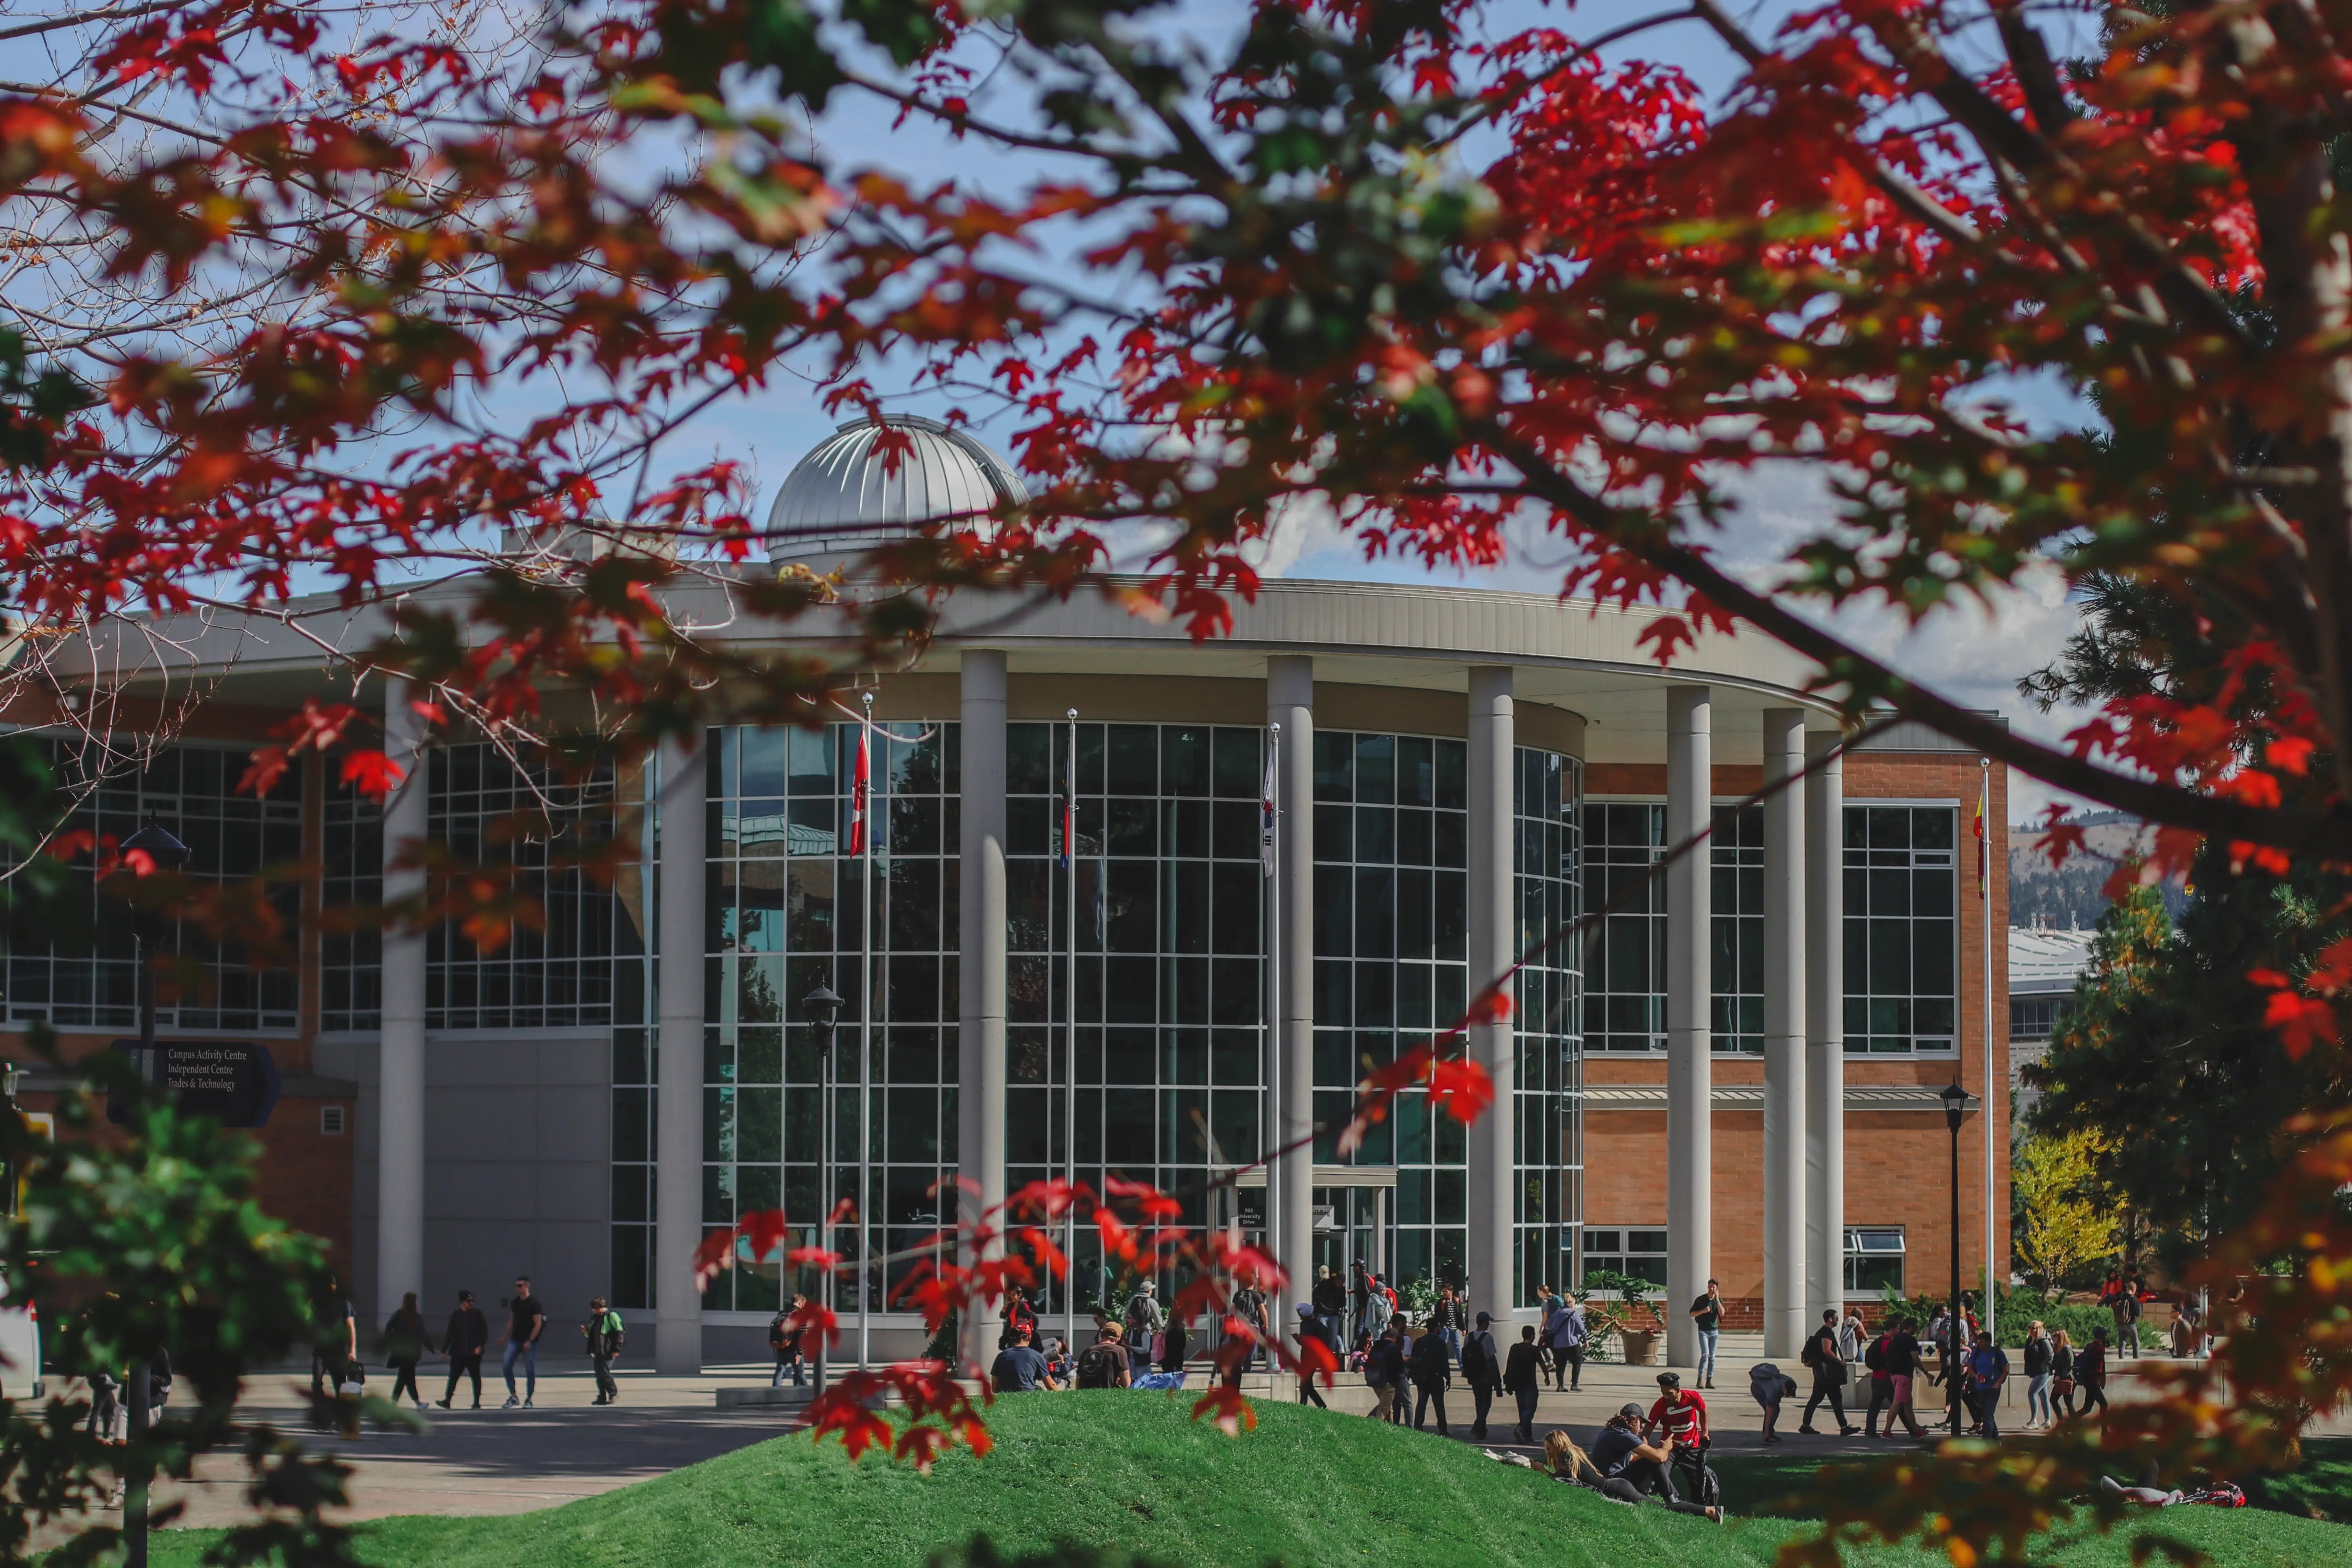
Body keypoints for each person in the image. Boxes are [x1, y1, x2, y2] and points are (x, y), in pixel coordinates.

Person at [1584, 1404, 1722, 1519]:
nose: (1641, 1428)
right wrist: (1666, 1448)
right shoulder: (1625, 1435)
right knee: (1655, 1463)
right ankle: (1672, 1499)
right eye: (1641, 1423)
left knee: (1651, 1460)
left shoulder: (1612, 1431)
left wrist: (1652, 1453)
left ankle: (1674, 1498)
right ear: (1634, 1420)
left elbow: (1630, 1460)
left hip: (1611, 1480)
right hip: (1613, 1483)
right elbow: (1660, 1458)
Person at [1800, 1307, 1858, 1436]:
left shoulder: (1821, 1332)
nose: (1838, 1320)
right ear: (1831, 1319)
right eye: (1836, 1318)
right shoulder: (1827, 1333)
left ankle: (1806, 1425)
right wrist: (1839, 1362)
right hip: (1828, 1373)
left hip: (1821, 1372)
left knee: (1816, 1399)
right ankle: (1844, 1427)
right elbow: (1827, 1351)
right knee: (1836, 1399)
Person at [436, 1289, 488, 1410]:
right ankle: (447, 1400)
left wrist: (480, 1346)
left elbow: (484, 1333)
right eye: (468, 1301)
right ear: (462, 1302)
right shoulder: (456, 1315)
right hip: (458, 1353)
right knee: (453, 1377)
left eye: (472, 1301)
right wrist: (443, 1351)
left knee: (475, 1378)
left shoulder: (477, 1314)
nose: (471, 1303)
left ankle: (476, 1402)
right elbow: (450, 1334)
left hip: (473, 1353)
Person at [500, 1274, 546, 1410]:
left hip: (529, 1342)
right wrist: (504, 1337)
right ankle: (513, 1397)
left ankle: (529, 1399)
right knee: (506, 1366)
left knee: (530, 1370)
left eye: (520, 1286)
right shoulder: (515, 1303)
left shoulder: (534, 1304)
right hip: (515, 1340)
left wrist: (530, 1341)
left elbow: (538, 1325)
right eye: (517, 1286)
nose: (518, 1288)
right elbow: (511, 1321)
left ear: (527, 1286)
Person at [311, 1277, 356, 1409]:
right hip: (321, 1350)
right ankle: (322, 1409)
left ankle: (341, 1413)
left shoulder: (344, 1304)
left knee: (340, 1386)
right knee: (316, 1383)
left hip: (338, 1352)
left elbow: (351, 1327)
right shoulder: (318, 1303)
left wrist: (352, 1350)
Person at [1645, 1370, 1709, 1459]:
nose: (1666, 1397)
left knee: (1701, 1469)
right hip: (1670, 1449)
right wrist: (1645, 1451)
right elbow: (1646, 1432)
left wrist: (1705, 1433)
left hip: (1693, 1446)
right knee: (1660, 1468)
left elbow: (1703, 1411)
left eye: (1669, 1393)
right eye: (1663, 1393)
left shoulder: (1693, 1397)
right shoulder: (1660, 1405)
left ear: (1678, 1390)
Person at [381, 1291, 426, 1412]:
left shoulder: (399, 1315)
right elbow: (423, 1335)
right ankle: (415, 1403)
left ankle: (415, 1403)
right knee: (406, 1379)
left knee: (406, 1378)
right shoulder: (415, 1317)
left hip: (403, 1352)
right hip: (410, 1354)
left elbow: (388, 1328)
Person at [1462, 1310, 1503, 1439]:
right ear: (1485, 1322)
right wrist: (1497, 1376)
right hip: (1485, 1374)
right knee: (1487, 1402)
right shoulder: (1488, 1338)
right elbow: (1492, 1358)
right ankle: (1478, 1425)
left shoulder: (1469, 1337)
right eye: (1488, 1322)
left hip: (1473, 1374)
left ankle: (1481, 1429)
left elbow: (1465, 1356)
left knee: (1479, 1401)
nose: (1488, 1324)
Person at [1964, 1329, 2011, 1439]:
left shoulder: (1997, 1353)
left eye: (1982, 1342)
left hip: (1993, 1387)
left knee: (1989, 1412)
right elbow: (1970, 1368)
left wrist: (1998, 1383)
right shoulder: (1977, 1352)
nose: (1980, 1344)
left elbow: (2005, 1370)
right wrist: (1976, 1376)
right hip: (1980, 1387)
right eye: (1979, 1342)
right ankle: (1995, 1437)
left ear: (1988, 1342)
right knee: (1986, 1414)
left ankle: (1987, 1439)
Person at [1884, 1319, 1927, 1439]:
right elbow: (1915, 1359)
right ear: (1912, 1327)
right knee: (1897, 1403)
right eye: (1916, 1327)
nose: (1917, 1329)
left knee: (1908, 1404)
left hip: (1894, 1374)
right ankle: (1887, 1431)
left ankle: (1916, 1431)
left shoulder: (1896, 1339)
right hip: (1904, 1376)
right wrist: (1926, 1372)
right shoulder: (1911, 1340)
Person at [1503, 1324, 1543, 1445]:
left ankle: (1527, 1436)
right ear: (1532, 1336)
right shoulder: (1534, 1350)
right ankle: (1520, 1428)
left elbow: (1509, 1365)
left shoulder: (1515, 1348)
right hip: (1530, 1383)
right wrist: (1547, 1377)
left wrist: (1508, 1382)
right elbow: (1542, 1364)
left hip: (1518, 1384)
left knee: (1523, 1410)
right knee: (1530, 1409)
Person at [1408, 1322, 1451, 1434]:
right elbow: (1444, 1362)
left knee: (1422, 1403)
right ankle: (1443, 1429)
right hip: (1436, 1378)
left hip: (1422, 1378)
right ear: (1436, 1329)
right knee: (1439, 1405)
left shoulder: (1419, 1341)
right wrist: (1448, 1378)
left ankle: (1418, 1426)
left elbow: (1413, 1358)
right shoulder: (1440, 1343)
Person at [991, 1325, 1058, 1393]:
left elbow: (995, 1387)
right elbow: (1051, 1386)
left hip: (1006, 1396)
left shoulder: (1002, 1356)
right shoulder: (1037, 1356)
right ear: (1029, 1337)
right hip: (1029, 1395)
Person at [584, 1296, 625, 1406]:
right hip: (597, 1350)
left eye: (597, 1309)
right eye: (594, 1309)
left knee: (604, 1372)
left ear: (602, 1306)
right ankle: (602, 1397)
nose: (595, 1311)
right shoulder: (595, 1318)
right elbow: (592, 1334)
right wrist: (587, 1332)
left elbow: (620, 1332)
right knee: (599, 1374)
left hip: (608, 1349)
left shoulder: (611, 1316)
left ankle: (613, 1392)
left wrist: (616, 1349)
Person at [1545, 1290, 1588, 1392]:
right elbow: (1581, 1328)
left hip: (1558, 1344)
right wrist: (1585, 1340)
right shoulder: (1574, 1314)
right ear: (1572, 1304)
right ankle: (1574, 1384)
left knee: (1560, 1365)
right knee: (1577, 1362)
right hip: (1572, 1343)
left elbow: (1549, 1326)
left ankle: (1560, 1385)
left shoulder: (1557, 1313)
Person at [1293, 1303, 1334, 1409]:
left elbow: (1324, 1343)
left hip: (1313, 1358)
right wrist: (1298, 1339)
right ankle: (1321, 1406)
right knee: (1308, 1385)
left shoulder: (1318, 1325)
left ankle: (1303, 1406)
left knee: (1305, 1384)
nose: (1300, 1317)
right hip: (1305, 1356)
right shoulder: (1303, 1324)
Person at [1365, 1321, 1405, 1423]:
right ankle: (1373, 1427)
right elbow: (1400, 1368)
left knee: (1388, 1408)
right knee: (1382, 1412)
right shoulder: (1394, 1349)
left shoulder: (1376, 1347)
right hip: (1389, 1384)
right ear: (1395, 1337)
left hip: (1375, 1381)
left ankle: (1390, 1428)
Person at [1749, 1360, 1798, 1444]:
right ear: (1784, 1388)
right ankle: (1766, 1435)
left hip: (1767, 1388)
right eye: (1788, 1393)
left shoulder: (1789, 1381)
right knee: (1773, 1411)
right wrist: (1767, 1432)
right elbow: (1769, 1413)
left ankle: (1769, 1433)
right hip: (1758, 1390)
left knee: (1776, 1410)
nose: (1788, 1396)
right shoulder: (1773, 1391)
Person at [1075, 1322, 1134, 1389]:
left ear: (1101, 1335)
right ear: (1118, 1339)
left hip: (1086, 1394)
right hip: (1108, 1394)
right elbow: (1127, 1383)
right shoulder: (1119, 1351)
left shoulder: (1087, 1352)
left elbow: (1079, 1380)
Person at [1689, 1278, 1725, 1389]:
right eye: (1710, 1287)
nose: (1712, 1289)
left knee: (1712, 1357)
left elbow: (1722, 1313)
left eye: (1714, 1287)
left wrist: (1717, 1299)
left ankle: (1709, 1380)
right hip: (1703, 1331)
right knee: (1706, 1355)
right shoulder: (1701, 1300)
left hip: (1714, 1332)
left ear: (1717, 1289)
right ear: (1708, 1287)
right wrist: (1703, 1311)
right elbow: (1692, 1313)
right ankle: (1700, 1379)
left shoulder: (1718, 1300)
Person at [1231, 1277, 1270, 1372]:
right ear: (1254, 1283)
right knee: (1250, 1352)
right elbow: (1263, 1312)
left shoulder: (1238, 1294)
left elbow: (1232, 1311)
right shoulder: (1257, 1295)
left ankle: (1237, 1370)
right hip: (1253, 1326)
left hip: (1240, 1327)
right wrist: (1266, 1324)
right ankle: (1247, 1371)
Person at [769, 1295, 806, 1387]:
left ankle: (776, 1391)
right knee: (800, 1373)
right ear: (801, 1303)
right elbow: (802, 1336)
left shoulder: (782, 1313)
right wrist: (800, 1352)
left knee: (779, 1371)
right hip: (795, 1350)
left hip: (782, 1347)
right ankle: (806, 1392)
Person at [2023, 1320, 2053, 1429]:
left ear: (2040, 1329)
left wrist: (2043, 1366)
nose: (2032, 1330)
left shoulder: (2043, 1340)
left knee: (2032, 1393)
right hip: (2037, 1371)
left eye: (2034, 1328)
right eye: (2031, 1327)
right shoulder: (2031, 1340)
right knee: (2043, 1395)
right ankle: (2048, 1421)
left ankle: (2034, 1421)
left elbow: (2050, 1354)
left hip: (2044, 1372)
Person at [2076, 1326, 2111, 1418]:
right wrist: (2099, 1381)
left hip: (2087, 1380)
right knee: (2088, 1408)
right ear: (2102, 1336)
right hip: (2094, 1382)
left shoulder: (2089, 1346)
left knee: (2103, 1405)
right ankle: (2068, 1422)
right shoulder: (2100, 1349)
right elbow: (2098, 1367)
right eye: (2106, 1335)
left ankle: (2104, 1428)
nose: (2107, 1337)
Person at [1311, 1266, 1347, 1354]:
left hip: (1334, 1315)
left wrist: (1342, 1311)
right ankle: (1322, 1352)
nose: (1341, 1284)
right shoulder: (1325, 1284)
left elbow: (1343, 1302)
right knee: (1322, 1334)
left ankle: (1332, 1354)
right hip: (1323, 1313)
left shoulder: (1342, 1289)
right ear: (1336, 1280)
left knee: (1333, 1336)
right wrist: (1319, 1306)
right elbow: (1316, 1296)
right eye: (1340, 1282)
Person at [1125, 1279, 1165, 1354]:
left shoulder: (1133, 1300)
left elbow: (1126, 1316)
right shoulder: (1151, 1302)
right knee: (1145, 1354)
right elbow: (1158, 1321)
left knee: (1133, 1354)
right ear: (1150, 1291)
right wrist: (1163, 1332)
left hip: (1133, 1332)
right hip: (1146, 1332)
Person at [1432, 1285, 1465, 1366]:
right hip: (1445, 1327)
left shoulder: (1456, 1301)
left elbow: (1460, 1315)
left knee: (1457, 1348)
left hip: (1455, 1328)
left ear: (1451, 1292)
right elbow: (1437, 1316)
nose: (1444, 1293)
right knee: (1442, 1346)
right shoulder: (1441, 1302)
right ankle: (1438, 1365)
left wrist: (1463, 1328)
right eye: (1443, 1292)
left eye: (1446, 1291)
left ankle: (1462, 1367)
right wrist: (1439, 1326)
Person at [2051, 1328, 2078, 1419]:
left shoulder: (2067, 1350)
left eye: (2055, 1336)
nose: (2053, 1338)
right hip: (2060, 1380)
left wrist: (2062, 1376)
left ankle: (2074, 1423)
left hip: (2068, 1379)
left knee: (2069, 1403)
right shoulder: (2059, 1350)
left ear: (2061, 1337)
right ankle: (2062, 1420)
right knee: (2054, 1400)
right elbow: (2055, 1365)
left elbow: (2070, 1366)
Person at [1158, 1307, 1189, 1375]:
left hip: (1166, 1361)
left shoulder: (1167, 1330)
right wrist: (1182, 1332)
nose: (1184, 1320)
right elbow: (1182, 1346)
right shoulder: (1177, 1331)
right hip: (1175, 1362)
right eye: (1182, 1317)